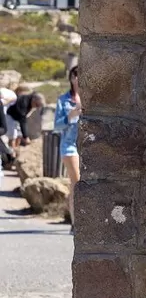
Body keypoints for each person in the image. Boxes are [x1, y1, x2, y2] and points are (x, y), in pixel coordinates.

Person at [54, 66, 81, 229]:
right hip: (70, 146)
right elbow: (56, 125)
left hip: (87, 146)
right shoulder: (63, 100)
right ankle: (76, 222)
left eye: (79, 75)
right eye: (74, 76)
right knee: (77, 182)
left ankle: (75, 218)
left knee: (77, 184)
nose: (76, 79)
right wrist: (69, 116)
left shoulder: (91, 98)